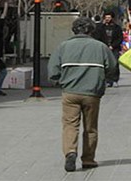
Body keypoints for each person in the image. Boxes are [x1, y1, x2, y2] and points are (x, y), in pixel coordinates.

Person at [49, 17, 118, 172]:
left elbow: (53, 70)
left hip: (70, 92)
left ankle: (70, 152)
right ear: (91, 30)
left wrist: (60, 81)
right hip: (92, 93)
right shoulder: (100, 47)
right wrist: (103, 78)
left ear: (74, 30)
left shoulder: (63, 46)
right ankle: (88, 159)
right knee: (90, 127)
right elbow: (112, 67)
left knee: (70, 125)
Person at [92, 12, 124, 87]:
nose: (107, 19)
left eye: (109, 17)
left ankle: (114, 79)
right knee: (105, 64)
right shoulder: (101, 28)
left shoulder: (117, 28)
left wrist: (113, 46)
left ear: (112, 18)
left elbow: (120, 38)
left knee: (114, 64)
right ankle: (107, 80)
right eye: (106, 17)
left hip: (114, 48)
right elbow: (98, 37)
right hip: (104, 48)